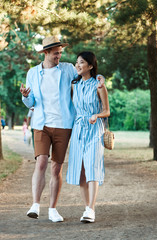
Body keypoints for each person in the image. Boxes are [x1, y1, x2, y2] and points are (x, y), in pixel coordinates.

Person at [20, 36, 105, 223]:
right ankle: (35, 205)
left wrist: (100, 77)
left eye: (60, 52)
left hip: (64, 124)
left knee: (56, 167)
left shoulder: (67, 69)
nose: (60, 55)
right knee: (41, 162)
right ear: (46, 53)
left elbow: (88, 74)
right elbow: (30, 101)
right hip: (41, 124)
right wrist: (26, 97)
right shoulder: (32, 73)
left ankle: (52, 209)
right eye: (56, 52)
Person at [66, 51, 110, 223]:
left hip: (94, 130)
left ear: (90, 66)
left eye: (82, 62)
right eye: (77, 62)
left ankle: (91, 209)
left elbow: (107, 110)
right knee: (81, 172)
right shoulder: (74, 85)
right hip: (78, 130)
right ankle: (86, 208)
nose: (78, 65)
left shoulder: (99, 86)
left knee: (92, 168)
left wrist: (97, 116)